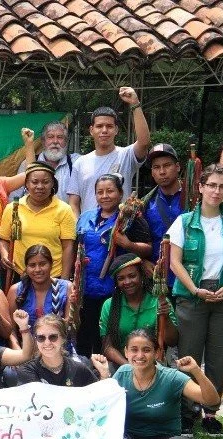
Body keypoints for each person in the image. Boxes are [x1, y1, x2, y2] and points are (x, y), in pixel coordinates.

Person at [168, 165, 223, 437]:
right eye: (212, 185)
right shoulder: (183, 222)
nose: (217, 191)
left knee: (218, 356)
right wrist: (194, 289)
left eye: (222, 187)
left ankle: (211, 413)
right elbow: (174, 262)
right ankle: (186, 411)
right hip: (192, 297)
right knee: (189, 356)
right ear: (201, 187)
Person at [91, 331, 218, 439]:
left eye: (146, 350)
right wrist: (105, 375)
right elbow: (103, 408)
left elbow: (211, 400)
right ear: (126, 352)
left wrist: (196, 371)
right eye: (134, 349)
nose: (139, 355)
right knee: (113, 438)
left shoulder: (172, 378)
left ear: (157, 352)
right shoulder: (122, 373)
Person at [74, 174, 154, 355]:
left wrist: (128, 244)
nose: (105, 196)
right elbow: (76, 247)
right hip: (86, 287)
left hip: (114, 288)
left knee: (108, 336)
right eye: (100, 192)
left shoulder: (130, 218)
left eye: (110, 191)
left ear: (120, 193)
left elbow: (148, 248)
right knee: (84, 335)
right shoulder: (85, 217)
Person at [66, 87, 150, 215]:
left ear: (116, 130)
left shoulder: (126, 155)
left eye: (109, 126)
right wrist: (79, 229)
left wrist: (135, 104)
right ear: (91, 130)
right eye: (99, 126)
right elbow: (73, 203)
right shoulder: (80, 163)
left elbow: (144, 142)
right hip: (89, 231)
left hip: (120, 230)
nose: (104, 130)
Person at [0, 162, 77, 279]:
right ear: (26, 184)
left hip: (53, 277)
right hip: (20, 275)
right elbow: (4, 240)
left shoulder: (64, 210)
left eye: (45, 182)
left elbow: (68, 247)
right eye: (34, 182)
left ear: (52, 184)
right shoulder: (13, 208)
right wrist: (4, 255)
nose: (40, 186)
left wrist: (64, 282)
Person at [99, 253, 179, 367]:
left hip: (154, 365)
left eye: (132, 276)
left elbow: (172, 341)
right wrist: (130, 368)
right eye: (121, 278)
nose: (127, 282)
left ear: (142, 275)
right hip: (122, 365)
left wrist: (165, 318)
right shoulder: (109, 305)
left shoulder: (159, 301)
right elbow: (107, 347)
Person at [0, 245, 73, 348]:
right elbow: (12, 331)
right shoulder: (16, 290)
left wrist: (75, 308)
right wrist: (19, 353)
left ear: (51, 265)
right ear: (26, 267)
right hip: (27, 350)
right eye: (32, 265)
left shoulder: (66, 288)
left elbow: (72, 327)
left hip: (58, 349)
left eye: (42, 264)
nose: (38, 269)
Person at [14, 315, 98, 386]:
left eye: (53, 337)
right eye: (41, 338)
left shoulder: (79, 369)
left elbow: (97, 397)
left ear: (63, 338)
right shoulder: (27, 371)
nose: (47, 343)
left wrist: (104, 374)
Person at [142, 144, 187, 256]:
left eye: (167, 165)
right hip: (156, 268)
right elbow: (140, 239)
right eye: (156, 167)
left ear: (177, 167)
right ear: (152, 172)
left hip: (188, 268)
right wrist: (143, 261)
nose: (162, 172)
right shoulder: (145, 203)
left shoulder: (193, 198)